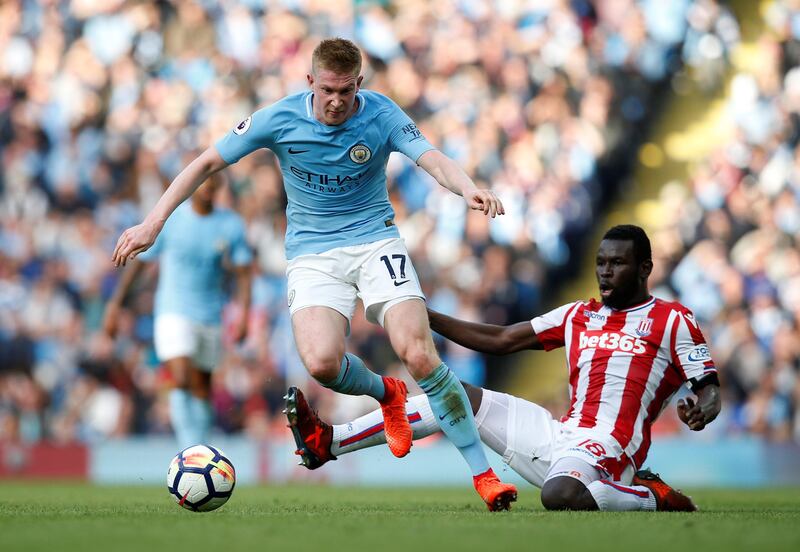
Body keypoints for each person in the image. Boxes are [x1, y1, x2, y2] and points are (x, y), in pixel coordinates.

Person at [111, 38, 515, 510]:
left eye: (346, 91)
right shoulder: (278, 119)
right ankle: (388, 394)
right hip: (312, 253)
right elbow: (205, 162)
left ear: (359, 84)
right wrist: (153, 223)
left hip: (375, 240)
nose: (337, 101)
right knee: (322, 364)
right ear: (310, 83)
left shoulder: (381, 114)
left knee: (419, 354)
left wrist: (467, 188)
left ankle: (484, 475)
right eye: (328, 90)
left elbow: (432, 158)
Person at [284, 225, 722, 511]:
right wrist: (420, 313)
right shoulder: (578, 315)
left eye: (618, 264)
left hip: (609, 449)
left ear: (644, 268)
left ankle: (650, 495)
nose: (606, 273)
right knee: (450, 394)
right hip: (559, 433)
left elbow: (709, 387)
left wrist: (704, 407)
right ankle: (328, 442)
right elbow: (501, 339)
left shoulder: (673, 320)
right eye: (601, 263)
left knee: (560, 495)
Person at [104, 174, 252, 447]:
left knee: (201, 387)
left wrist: (243, 314)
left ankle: (201, 445)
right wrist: (115, 304)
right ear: (193, 188)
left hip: (209, 315)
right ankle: (190, 450)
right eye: (203, 186)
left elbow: (244, 272)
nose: (208, 192)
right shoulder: (172, 220)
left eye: (213, 187)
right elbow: (141, 263)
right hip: (173, 310)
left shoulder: (230, 225)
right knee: (181, 375)